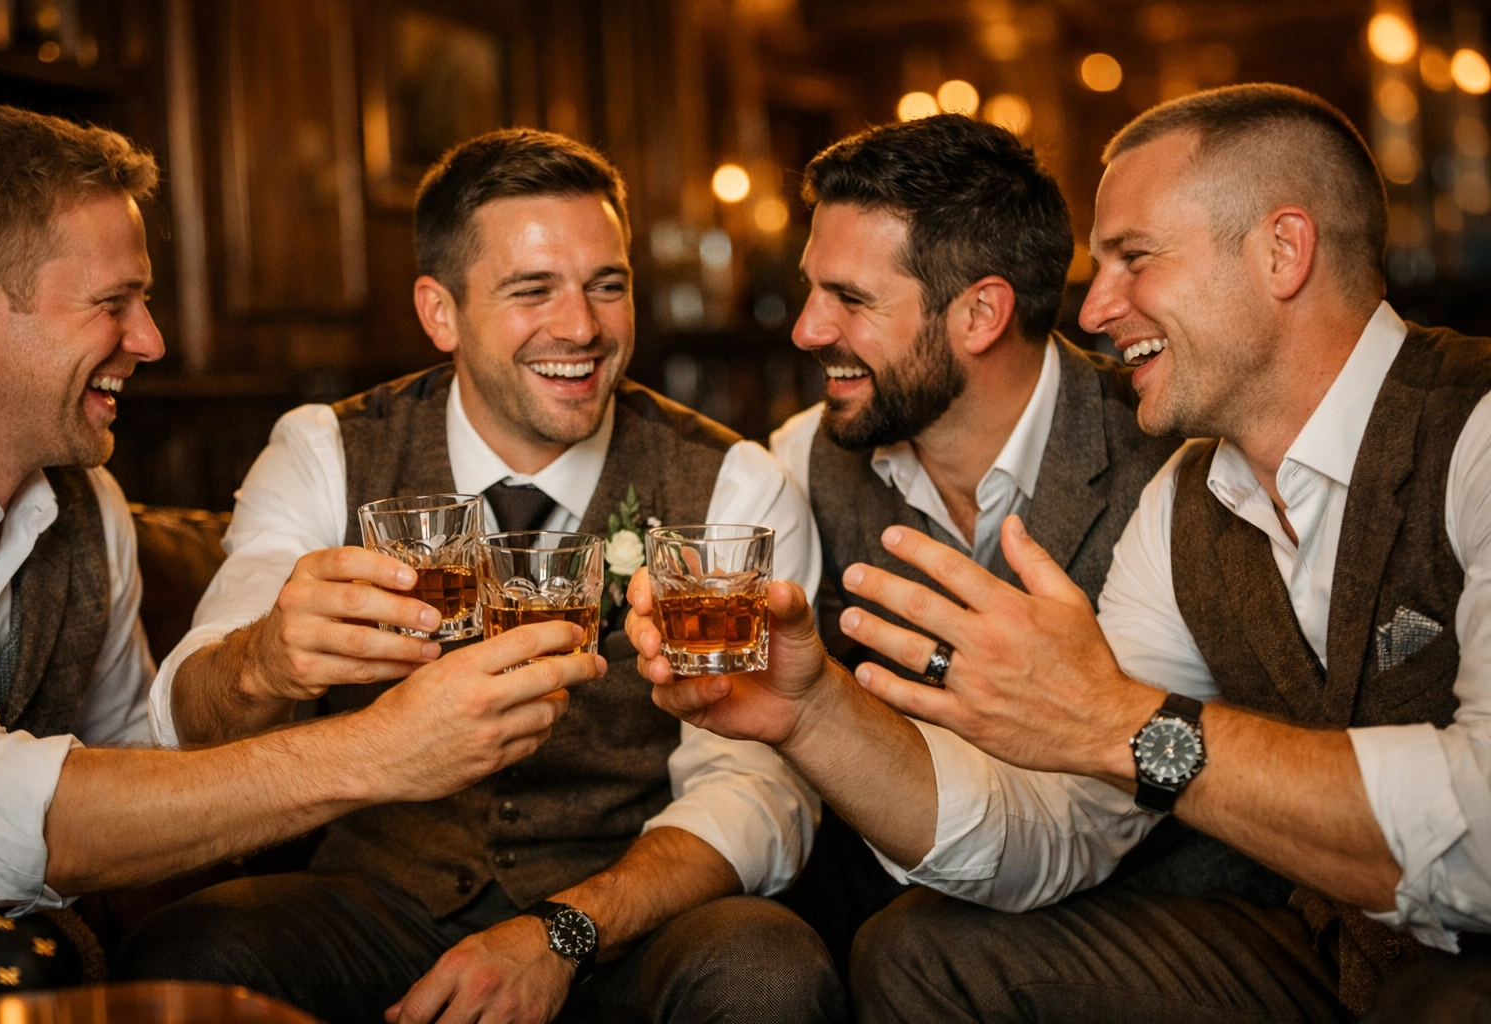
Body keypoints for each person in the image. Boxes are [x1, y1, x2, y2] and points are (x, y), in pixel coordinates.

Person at [633, 82, 1491, 1022]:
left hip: (1441, 955)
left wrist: (1118, 723)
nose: (1093, 309)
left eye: (1133, 259)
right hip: (1312, 950)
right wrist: (813, 715)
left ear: (1282, 251)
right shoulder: (1190, 500)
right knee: (916, 949)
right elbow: (1058, 822)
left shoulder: (1473, 431)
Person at [119, 129, 841, 1024]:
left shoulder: (735, 484)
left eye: (607, 286)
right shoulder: (326, 452)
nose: (581, 327)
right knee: (193, 948)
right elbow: (191, 717)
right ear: (440, 311)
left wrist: (563, 934)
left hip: (625, 917)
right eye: (531, 290)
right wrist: (265, 661)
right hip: (377, 907)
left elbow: (759, 790)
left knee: (766, 966)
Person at [0, 105, 599, 937]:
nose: (150, 339)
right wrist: (376, 750)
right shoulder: (314, 447)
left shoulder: (87, 507)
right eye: (113, 302)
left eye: (144, 299)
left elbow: (153, 770)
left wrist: (268, 681)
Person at [765, 112, 1179, 960]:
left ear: (981, 313)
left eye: (849, 299)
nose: (807, 329)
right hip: (881, 931)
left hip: (1138, 936)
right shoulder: (800, 460)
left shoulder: (1165, 462)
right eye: (812, 290)